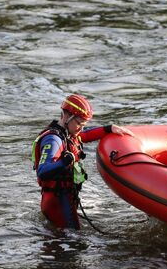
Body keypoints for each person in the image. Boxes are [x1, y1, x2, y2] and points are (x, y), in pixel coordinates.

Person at [31, 94, 135, 229]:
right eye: (79, 123)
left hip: (64, 198)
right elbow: (43, 171)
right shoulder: (54, 140)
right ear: (67, 116)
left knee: (66, 239)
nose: (81, 128)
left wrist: (109, 128)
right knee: (74, 242)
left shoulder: (68, 133)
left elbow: (85, 135)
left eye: (83, 124)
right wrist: (65, 161)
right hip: (57, 201)